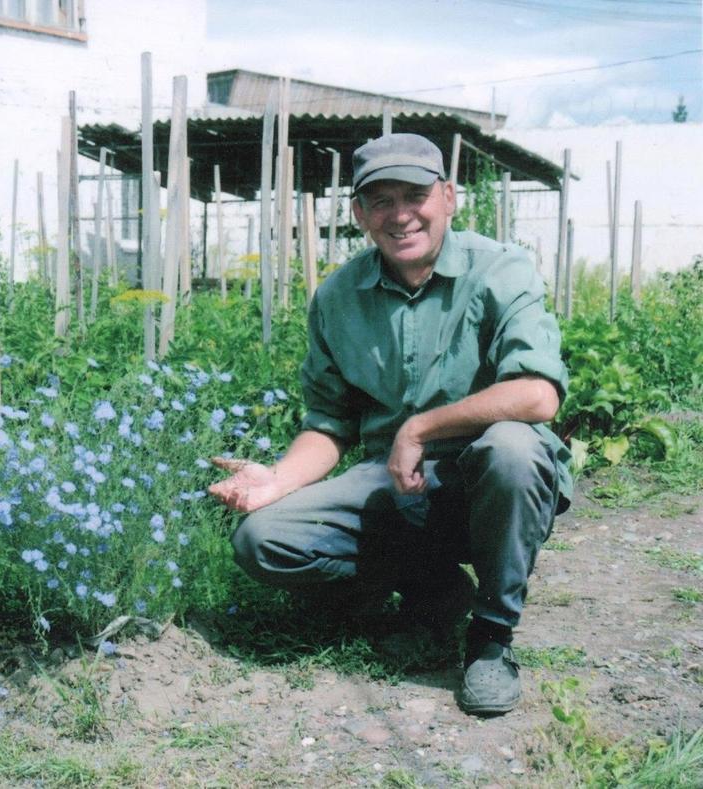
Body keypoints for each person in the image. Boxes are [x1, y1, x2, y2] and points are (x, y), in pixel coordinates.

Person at [208, 133, 570, 716]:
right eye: (381, 200)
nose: (401, 215)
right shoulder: (338, 295)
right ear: (359, 214)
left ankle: (491, 639)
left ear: (448, 197)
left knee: (513, 449)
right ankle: (436, 587)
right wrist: (279, 480)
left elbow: (537, 395)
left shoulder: (501, 269)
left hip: (486, 482)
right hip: (392, 487)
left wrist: (420, 428)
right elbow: (329, 424)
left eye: (416, 195)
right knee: (263, 540)